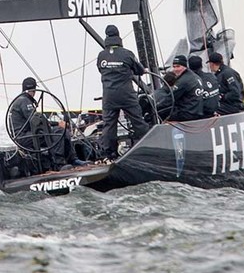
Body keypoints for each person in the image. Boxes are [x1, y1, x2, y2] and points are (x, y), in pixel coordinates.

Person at [96, 24, 150, 160]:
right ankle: (147, 147)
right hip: (126, 94)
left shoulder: (101, 55)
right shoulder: (127, 53)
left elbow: (100, 70)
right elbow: (139, 70)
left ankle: (108, 155)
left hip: (109, 95)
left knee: (109, 125)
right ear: (118, 36)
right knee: (138, 120)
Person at [8, 77, 85, 169]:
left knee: (60, 131)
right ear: (34, 89)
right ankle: (59, 164)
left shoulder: (21, 100)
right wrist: (57, 124)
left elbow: (38, 121)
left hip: (25, 135)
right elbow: (37, 121)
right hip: (25, 137)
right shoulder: (24, 101)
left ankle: (72, 159)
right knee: (59, 132)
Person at [168, 54, 204, 122]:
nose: (175, 69)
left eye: (178, 66)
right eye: (174, 67)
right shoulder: (196, 77)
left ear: (185, 66)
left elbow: (170, 98)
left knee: (163, 113)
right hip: (198, 113)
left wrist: (156, 105)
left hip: (187, 115)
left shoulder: (183, 81)